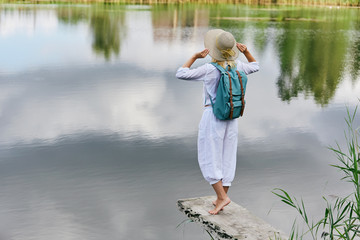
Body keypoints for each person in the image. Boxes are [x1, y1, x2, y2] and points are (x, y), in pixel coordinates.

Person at [175, 29, 259, 215]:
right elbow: (255, 66)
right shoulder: (238, 66)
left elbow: (181, 73)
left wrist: (194, 57)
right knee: (227, 156)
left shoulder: (209, 69)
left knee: (209, 157)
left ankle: (222, 197)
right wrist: (246, 52)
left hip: (213, 117)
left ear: (213, 50)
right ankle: (222, 197)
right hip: (231, 117)